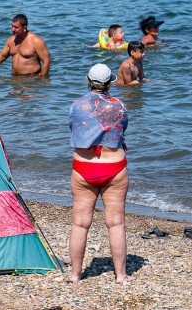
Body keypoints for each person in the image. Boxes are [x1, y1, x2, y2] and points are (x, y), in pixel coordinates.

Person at [68, 64, 134, 284]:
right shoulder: (119, 106)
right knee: (115, 223)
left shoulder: (76, 104)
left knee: (79, 223)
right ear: (110, 83)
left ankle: (75, 275)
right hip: (113, 167)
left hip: (83, 168)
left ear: (88, 81)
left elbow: (75, 129)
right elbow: (122, 130)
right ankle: (121, 276)